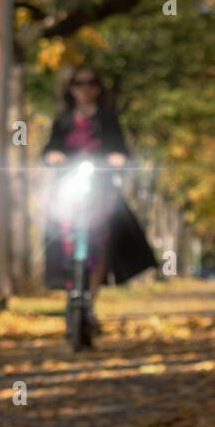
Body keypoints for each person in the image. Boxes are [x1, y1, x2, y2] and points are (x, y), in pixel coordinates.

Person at [42, 67, 157, 326]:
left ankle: (90, 299)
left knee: (105, 235)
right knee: (55, 230)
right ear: (71, 88)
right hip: (68, 187)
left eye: (91, 82)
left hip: (99, 186)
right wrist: (52, 156)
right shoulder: (63, 120)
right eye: (79, 83)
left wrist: (117, 158)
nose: (85, 88)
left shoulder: (108, 119)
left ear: (98, 88)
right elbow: (50, 149)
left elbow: (120, 150)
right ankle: (68, 288)